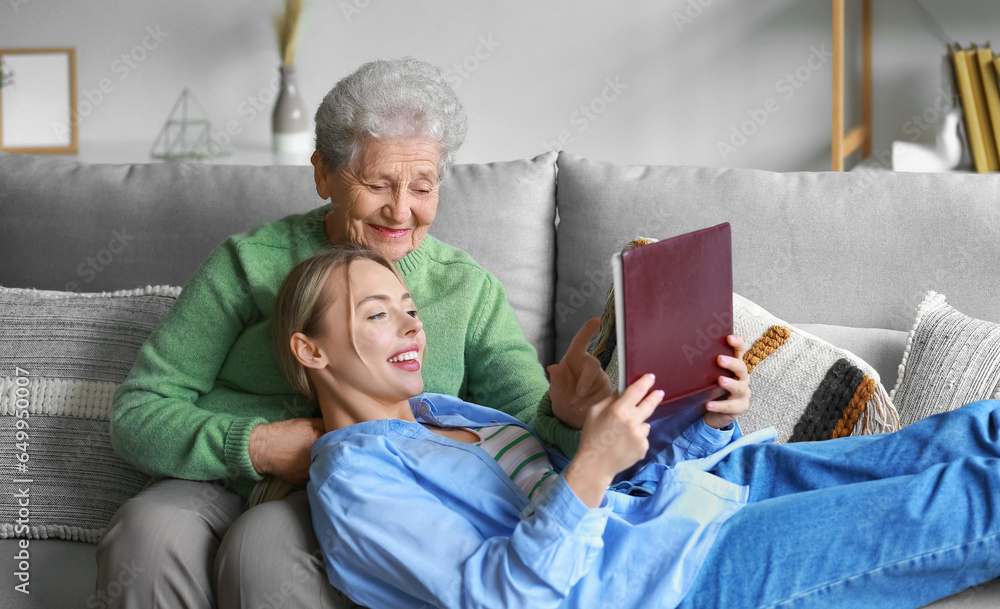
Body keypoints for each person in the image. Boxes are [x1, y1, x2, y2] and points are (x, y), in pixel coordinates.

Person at [98, 58, 596, 609]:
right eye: (378, 183)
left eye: (423, 186)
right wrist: (259, 445)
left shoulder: (467, 291)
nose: (400, 210)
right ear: (323, 175)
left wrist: (579, 419)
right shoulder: (248, 264)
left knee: (265, 546)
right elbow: (139, 414)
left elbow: (531, 425)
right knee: (151, 534)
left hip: (370, 488)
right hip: (222, 478)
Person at [276, 245, 1000, 609]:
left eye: (408, 306)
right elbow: (502, 597)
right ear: (310, 350)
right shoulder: (353, 476)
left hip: (707, 492)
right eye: (377, 313)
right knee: (963, 500)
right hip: (677, 576)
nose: (410, 324)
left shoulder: (452, 414)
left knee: (970, 432)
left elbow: (629, 490)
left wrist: (706, 418)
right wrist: (589, 462)